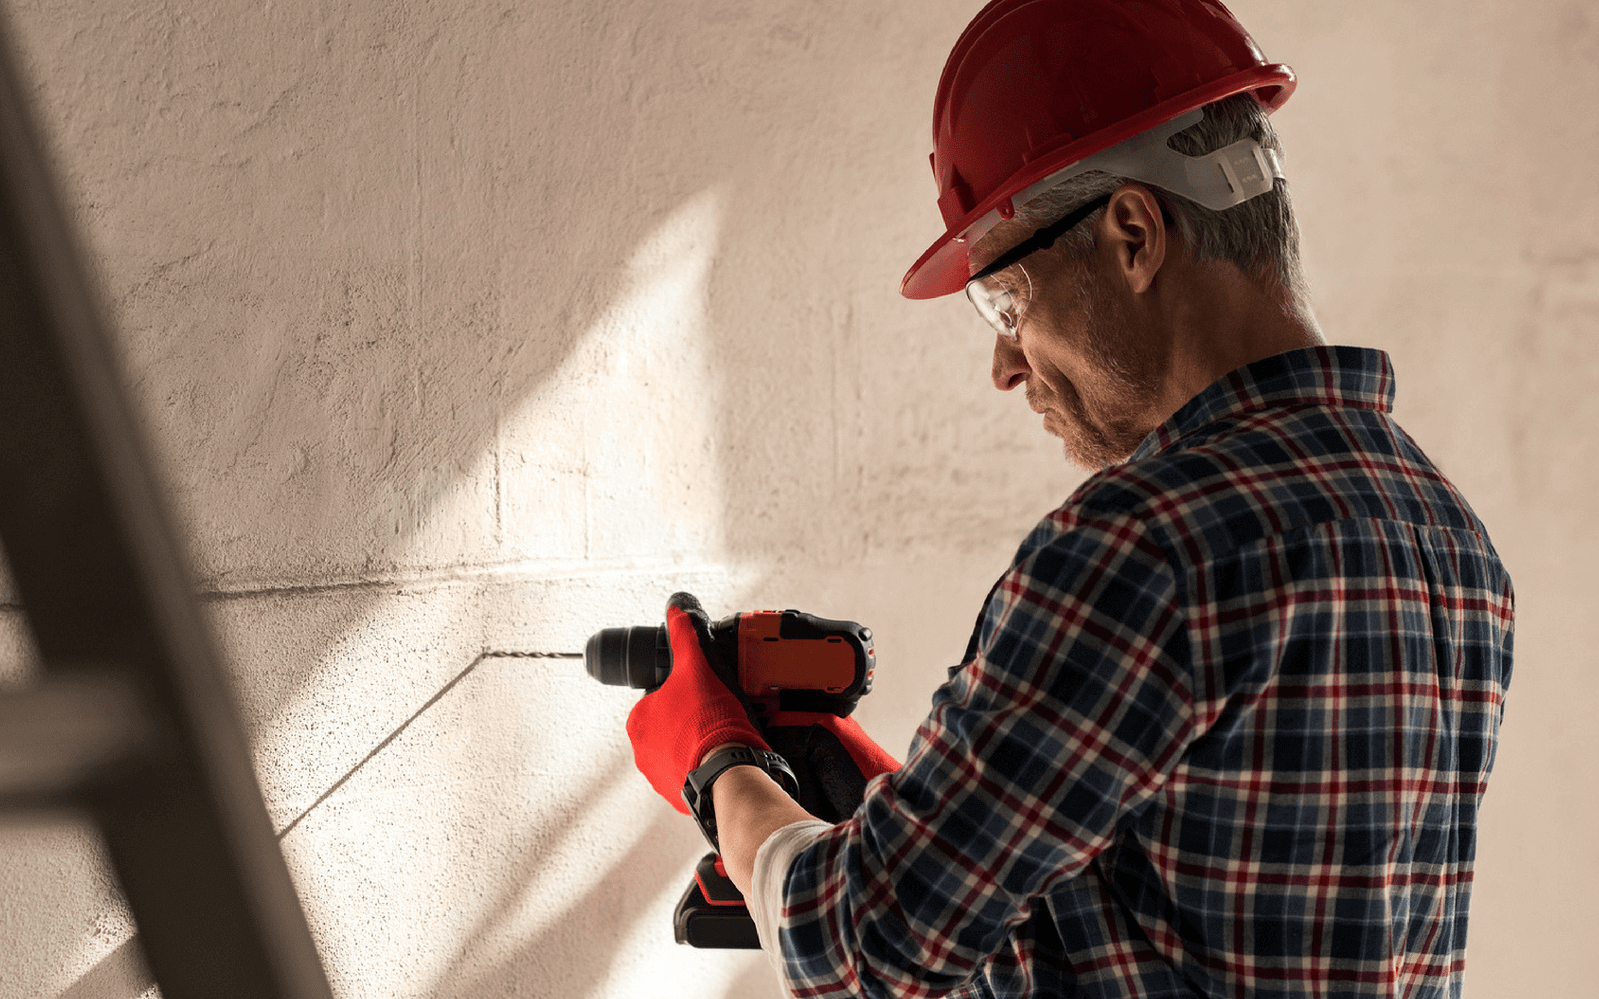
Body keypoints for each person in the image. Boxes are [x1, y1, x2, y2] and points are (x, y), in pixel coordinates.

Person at [624, 1, 1516, 996]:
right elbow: (1173, 903)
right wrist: (909, 807)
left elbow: (855, 949)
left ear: (1134, 232)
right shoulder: (1435, 523)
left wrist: (717, 769)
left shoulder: (1150, 543)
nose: (1005, 364)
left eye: (1006, 299)